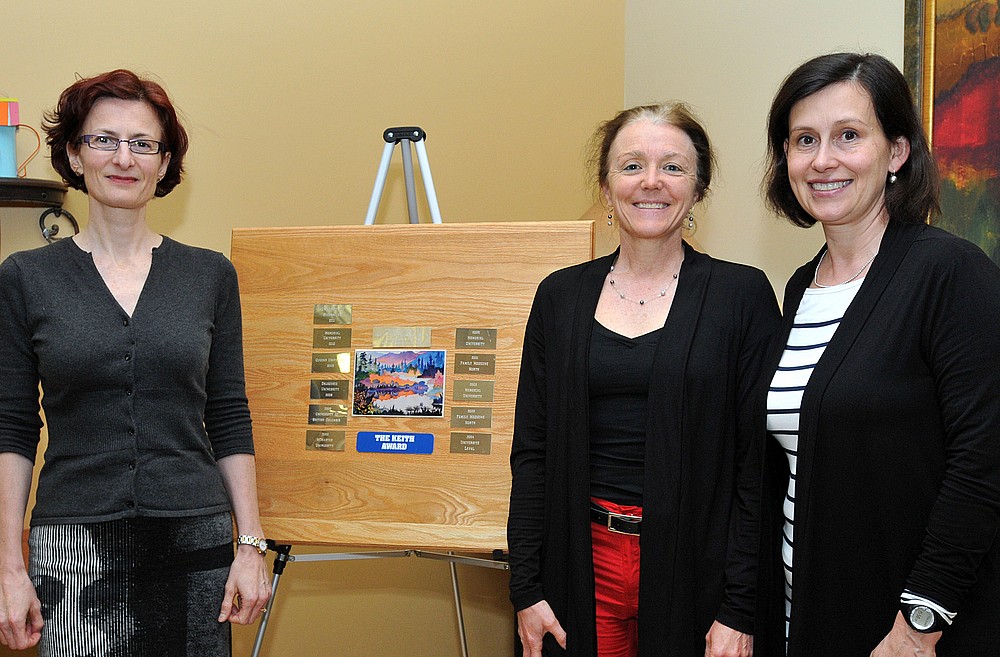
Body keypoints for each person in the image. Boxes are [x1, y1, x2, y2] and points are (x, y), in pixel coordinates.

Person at [0, 69, 271, 655]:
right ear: (74, 155)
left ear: (165, 162)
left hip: (194, 542)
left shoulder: (210, 276)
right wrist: (8, 568)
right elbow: (13, 430)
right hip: (75, 548)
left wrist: (249, 544)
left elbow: (228, 415)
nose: (124, 158)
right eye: (104, 140)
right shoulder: (25, 278)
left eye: (143, 144)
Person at [507, 102, 780, 657]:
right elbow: (532, 452)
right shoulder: (558, 297)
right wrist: (526, 587)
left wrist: (740, 608)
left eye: (673, 167)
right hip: (579, 566)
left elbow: (758, 465)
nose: (651, 182)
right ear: (606, 188)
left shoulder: (742, 296)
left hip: (697, 571)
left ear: (698, 187)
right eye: (631, 166)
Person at [759, 52, 1000, 657]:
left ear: (896, 152)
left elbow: (984, 461)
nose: (822, 160)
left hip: (910, 630)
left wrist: (920, 622)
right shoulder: (800, 287)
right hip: (807, 609)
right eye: (803, 140)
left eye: (848, 136)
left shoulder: (950, 273)